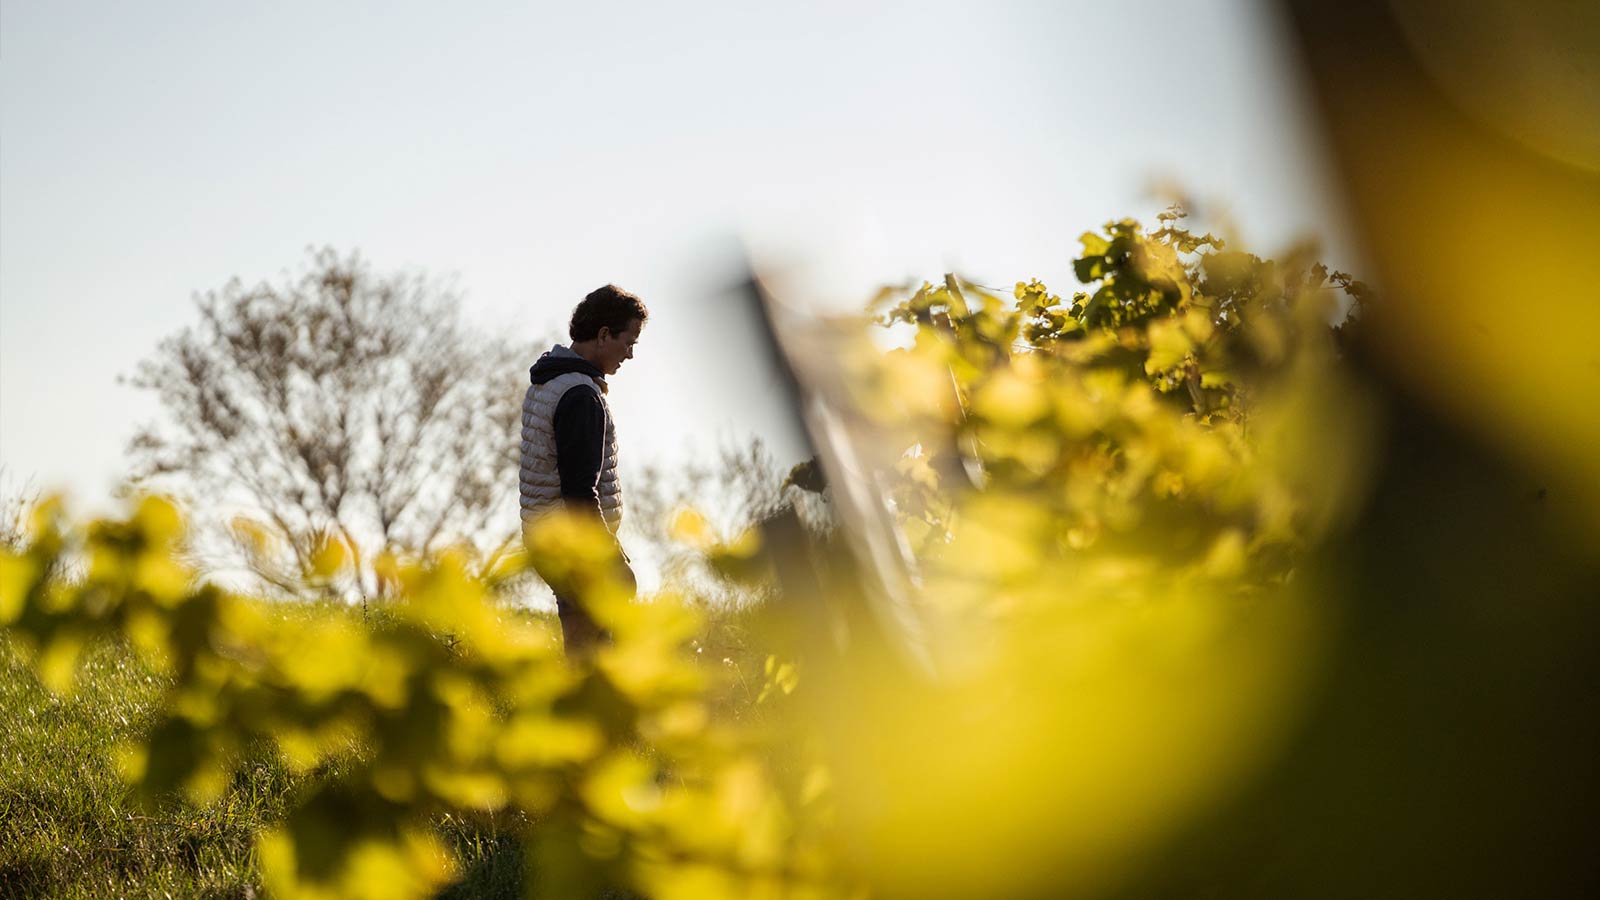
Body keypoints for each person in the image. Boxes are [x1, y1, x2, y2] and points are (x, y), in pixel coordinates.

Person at [520, 284, 646, 656]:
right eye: (629, 341)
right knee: (599, 656)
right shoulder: (581, 397)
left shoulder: (550, 384)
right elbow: (579, 492)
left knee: (581, 648)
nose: (631, 354)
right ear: (604, 334)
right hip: (575, 545)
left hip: (550, 539)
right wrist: (612, 559)